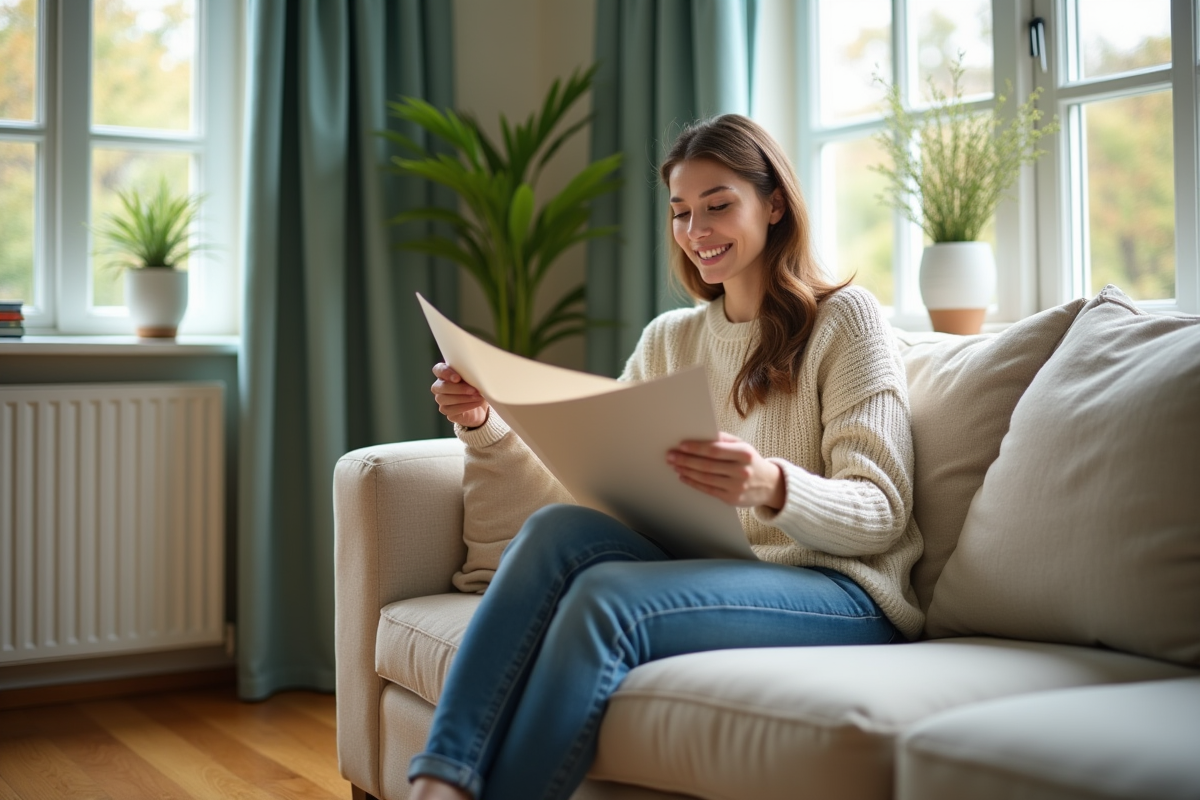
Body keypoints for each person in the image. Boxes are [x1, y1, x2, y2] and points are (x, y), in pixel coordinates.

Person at [410, 113, 924, 800]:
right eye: (682, 212)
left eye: (719, 206)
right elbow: (588, 493)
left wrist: (773, 486)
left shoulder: (844, 320)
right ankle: (439, 784)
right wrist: (485, 424)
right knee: (556, 532)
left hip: (846, 591)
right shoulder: (669, 340)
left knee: (605, 598)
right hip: (720, 568)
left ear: (774, 205)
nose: (697, 231)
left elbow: (882, 512)